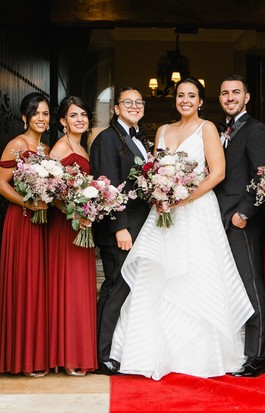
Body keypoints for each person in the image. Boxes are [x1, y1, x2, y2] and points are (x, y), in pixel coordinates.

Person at [109, 77, 254, 380]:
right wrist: (158, 191)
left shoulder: (208, 129)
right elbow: (151, 169)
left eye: (192, 96)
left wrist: (184, 198)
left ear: (201, 101)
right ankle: (148, 353)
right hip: (163, 212)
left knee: (196, 276)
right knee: (156, 276)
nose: (185, 100)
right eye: (180, 95)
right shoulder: (162, 130)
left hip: (196, 212)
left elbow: (218, 173)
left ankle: (197, 356)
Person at [214, 75, 265, 377]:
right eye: (225, 93)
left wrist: (245, 213)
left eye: (236, 92)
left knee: (251, 286)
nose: (230, 97)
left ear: (247, 97)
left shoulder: (256, 129)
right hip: (219, 219)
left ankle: (258, 355)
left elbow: (261, 174)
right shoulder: (220, 130)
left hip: (241, 222)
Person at [89, 87, 151, 375]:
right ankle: (101, 356)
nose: (134, 106)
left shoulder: (137, 139)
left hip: (139, 226)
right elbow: (108, 186)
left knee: (126, 289)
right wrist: (120, 228)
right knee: (116, 288)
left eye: (139, 102)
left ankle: (116, 349)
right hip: (121, 230)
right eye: (128, 102)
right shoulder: (107, 139)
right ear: (116, 108)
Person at [0, 92, 51, 377]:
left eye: (45, 114)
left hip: (42, 223)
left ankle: (35, 354)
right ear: (24, 117)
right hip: (22, 219)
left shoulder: (47, 150)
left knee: (38, 286)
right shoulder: (17, 144)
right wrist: (27, 202)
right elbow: (1, 184)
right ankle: (19, 359)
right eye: (36, 113)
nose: (41, 118)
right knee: (23, 284)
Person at [47, 96, 98, 376]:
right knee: (69, 287)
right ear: (63, 121)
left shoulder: (82, 147)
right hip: (66, 226)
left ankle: (78, 352)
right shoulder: (60, 147)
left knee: (80, 288)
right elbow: (50, 188)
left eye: (84, 115)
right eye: (73, 115)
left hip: (82, 225)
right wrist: (72, 212)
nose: (80, 119)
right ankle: (66, 355)